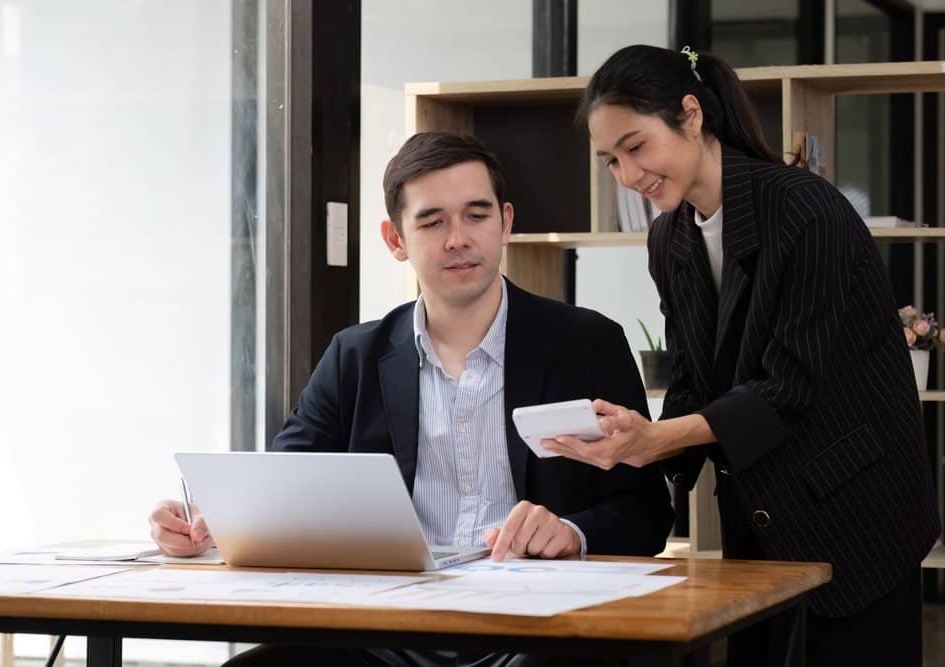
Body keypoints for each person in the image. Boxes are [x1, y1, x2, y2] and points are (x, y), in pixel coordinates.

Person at [148, 131, 674, 666]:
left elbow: (647, 510)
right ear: (395, 239)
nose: (458, 239)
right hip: (387, 631)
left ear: (506, 222)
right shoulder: (354, 355)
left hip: (537, 627)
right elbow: (280, 487)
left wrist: (570, 532)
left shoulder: (586, 343)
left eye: (476, 215)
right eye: (432, 221)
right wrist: (206, 525)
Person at [543, 45, 941, 667]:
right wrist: (639, 440)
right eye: (610, 160)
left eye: (636, 146)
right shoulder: (669, 236)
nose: (626, 175)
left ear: (692, 115)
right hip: (760, 520)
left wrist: (660, 438)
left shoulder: (806, 211)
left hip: (858, 514)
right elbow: (695, 376)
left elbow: (791, 385)